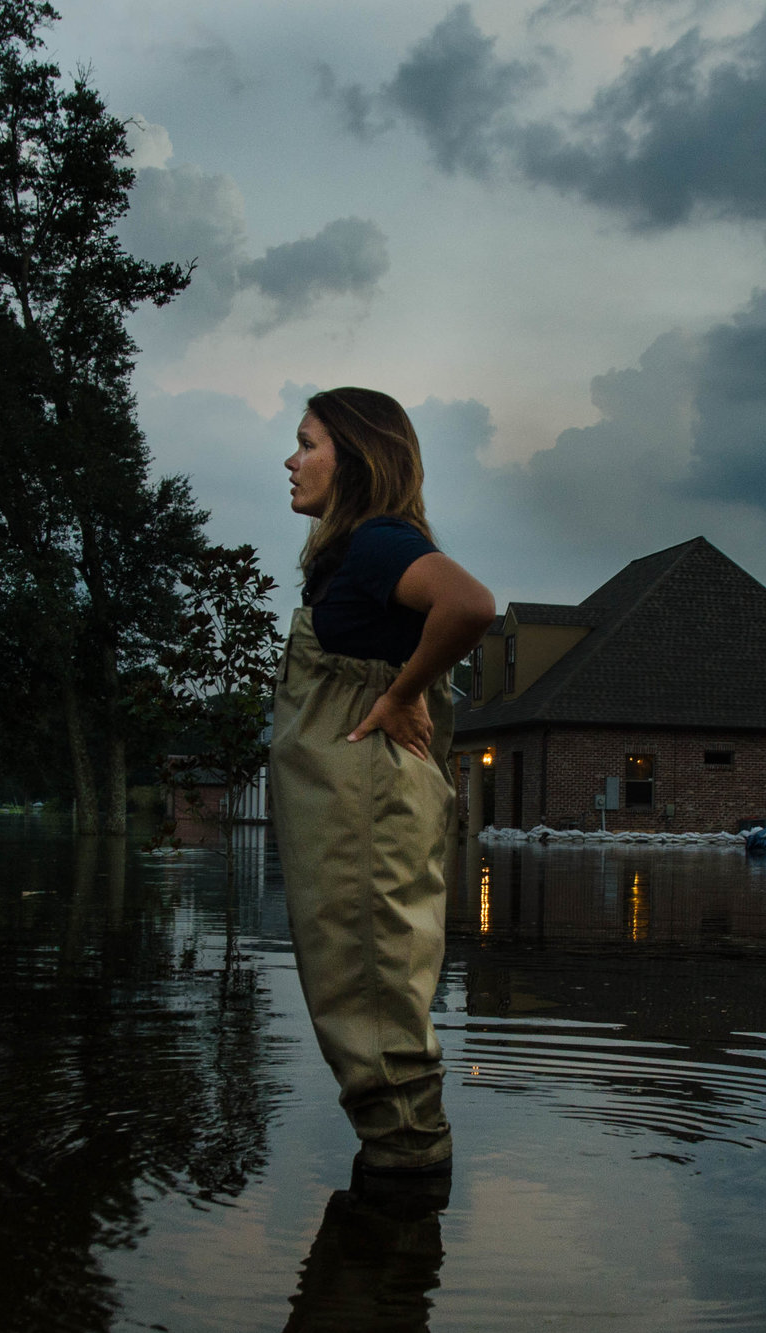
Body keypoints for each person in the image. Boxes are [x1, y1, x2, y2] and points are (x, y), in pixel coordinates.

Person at [269, 388, 496, 1177]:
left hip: (366, 798)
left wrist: (400, 695)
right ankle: (396, 1190)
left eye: (307, 444)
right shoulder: (354, 556)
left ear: (357, 459)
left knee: (370, 990)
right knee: (362, 989)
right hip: (353, 801)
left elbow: (468, 606)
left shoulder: (375, 542)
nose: (291, 461)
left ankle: (405, 1193)